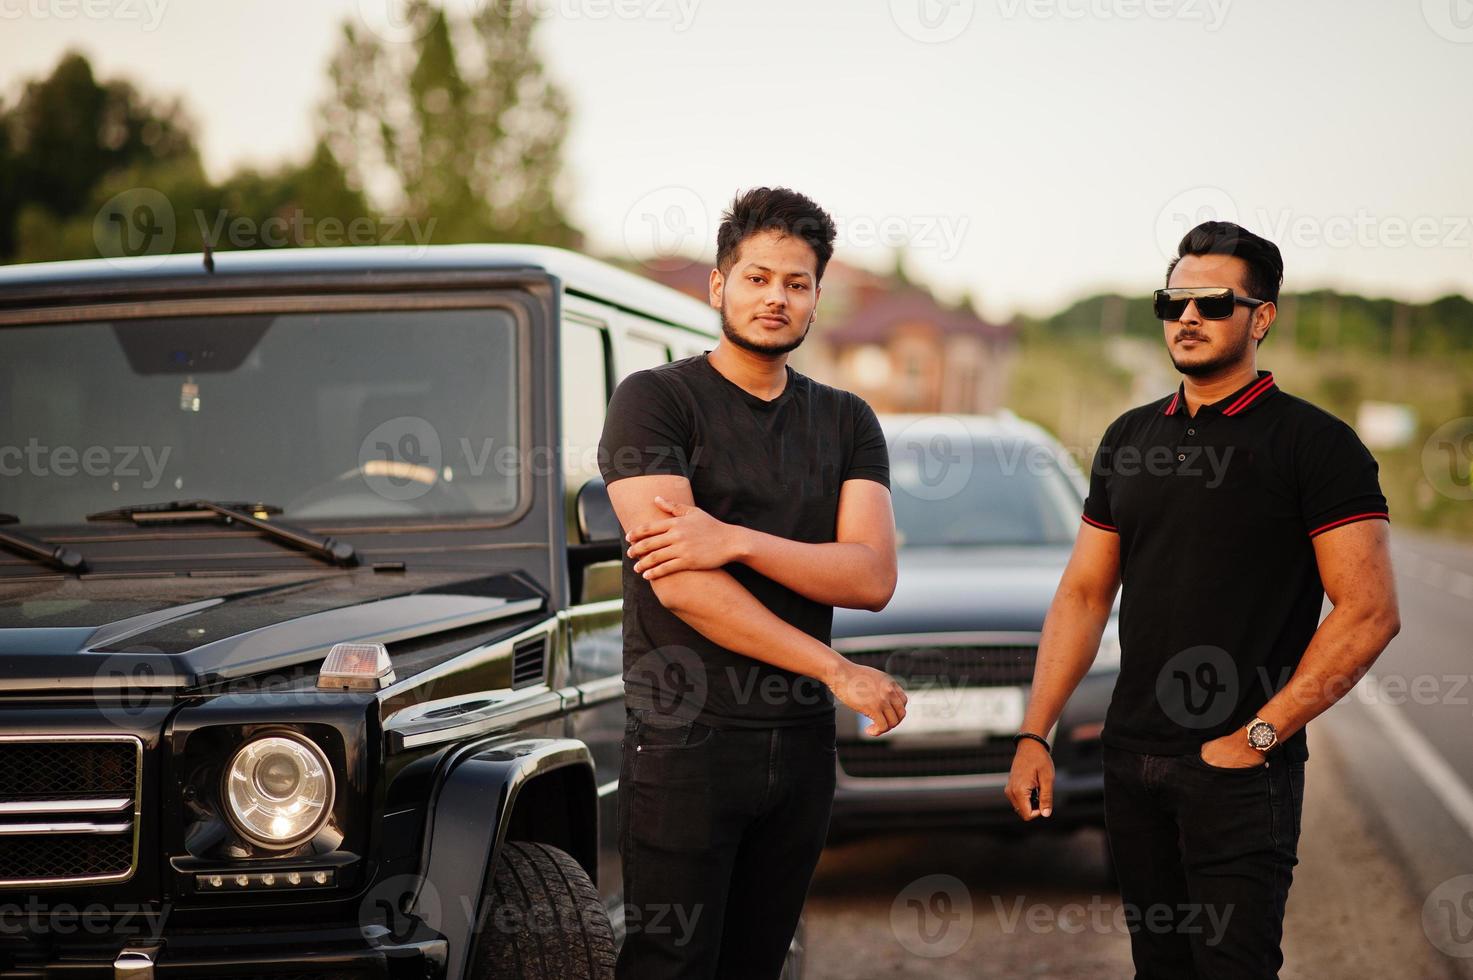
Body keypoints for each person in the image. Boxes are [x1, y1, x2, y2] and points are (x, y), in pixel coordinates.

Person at [1005, 221, 1401, 979]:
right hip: (1130, 761)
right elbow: (1084, 594)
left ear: (1261, 317)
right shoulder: (1127, 438)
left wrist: (1257, 736)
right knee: (1159, 965)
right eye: (1173, 301)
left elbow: (1368, 611)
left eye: (1212, 302)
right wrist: (1035, 732)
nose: (1187, 318)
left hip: (1241, 770)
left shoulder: (1314, 445)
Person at [598, 186, 908, 979]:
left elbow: (869, 576)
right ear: (718, 285)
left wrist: (730, 537)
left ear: (815, 299)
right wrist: (834, 668)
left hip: (798, 746)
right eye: (758, 277)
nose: (776, 297)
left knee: (759, 963)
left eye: (796, 283)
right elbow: (682, 587)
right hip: (685, 739)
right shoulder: (655, 402)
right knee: (670, 960)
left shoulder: (846, 421)